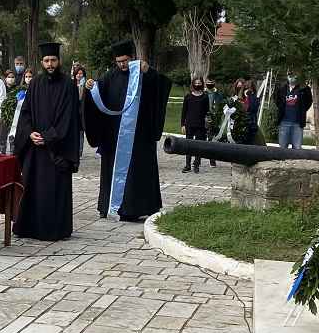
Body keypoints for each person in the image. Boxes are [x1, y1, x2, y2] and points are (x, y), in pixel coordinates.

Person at [83, 40, 172, 222]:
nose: (122, 65)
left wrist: (149, 72)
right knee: (113, 172)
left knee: (138, 173)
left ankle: (137, 208)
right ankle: (109, 206)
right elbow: (97, 95)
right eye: (119, 62)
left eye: (125, 61)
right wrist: (90, 88)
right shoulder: (109, 77)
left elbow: (162, 86)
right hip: (114, 137)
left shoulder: (142, 73)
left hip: (139, 136)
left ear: (132, 58)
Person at [13, 42, 79, 241]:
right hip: (34, 148)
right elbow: (25, 113)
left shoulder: (68, 85)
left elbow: (69, 118)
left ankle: (54, 229)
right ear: (41, 62)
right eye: (46, 60)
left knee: (53, 190)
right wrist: (29, 133)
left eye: (53, 60)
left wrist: (48, 137)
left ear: (59, 61)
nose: (50, 64)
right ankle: (29, 227)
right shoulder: (35, 83)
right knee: (32, 187)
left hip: (56, 150)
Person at [275, 72, 312, 149]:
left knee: (297, 148)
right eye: (290, 75)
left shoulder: (304, 89)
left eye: (294, 75)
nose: (292, 77)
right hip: (284, 123)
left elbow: (308, 102)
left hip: (297, 124)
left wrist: (302, 110)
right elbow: (277, 100)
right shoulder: (282, 88)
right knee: (282, 148)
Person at [181, 77, 209, 173]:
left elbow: (207, 111)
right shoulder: (188, 96)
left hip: (201, 125)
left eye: (199, 83)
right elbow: (184, 112)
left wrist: (207, 122)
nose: (197, 85)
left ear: (202, 84)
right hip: (189, 124)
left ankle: (196, 164)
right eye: (196, 83)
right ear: (193, 84)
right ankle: (187, 165)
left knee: (198, 145)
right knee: (188, 145)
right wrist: (182, 124)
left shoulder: (205, 97)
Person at [0, 69, 20, 154]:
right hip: (4, 117)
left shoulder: (18, 89)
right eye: (9, 77)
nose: (11, 79)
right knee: (2, 139)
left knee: (12, 139)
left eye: (12, 77)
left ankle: (12, 156)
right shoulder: (2, 88)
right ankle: (2, 155)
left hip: (14, 117)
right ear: (5, 78)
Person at [204, 78, 225, 166]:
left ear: (214, 83)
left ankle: (212, 160)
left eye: (211, 82)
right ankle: (197, 160)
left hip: (215, 119)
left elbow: (221, 107)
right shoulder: (203, 93)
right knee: (201, 139)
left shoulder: (219, 95)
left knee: (212, 140)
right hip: (204, 118)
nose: (209, 84)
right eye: (208, 82)